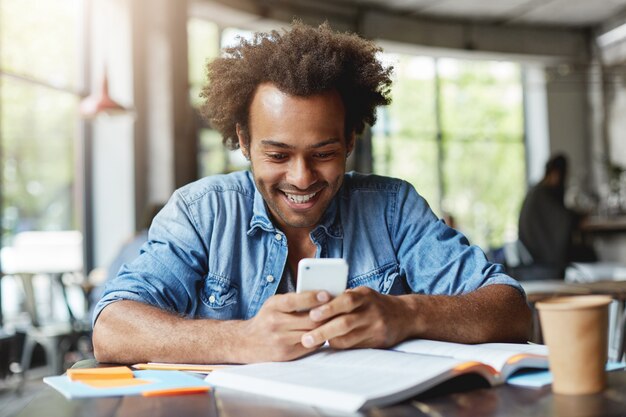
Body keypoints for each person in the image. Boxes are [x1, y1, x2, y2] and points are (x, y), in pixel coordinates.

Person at [92, 22, 531, 365]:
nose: (301, 178)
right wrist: (242, 339)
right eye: (278, 155)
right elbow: (111, 329)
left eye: (323, 153)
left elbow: (510, 308)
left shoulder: (392, 209)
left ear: (351, 141)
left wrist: (407, 313)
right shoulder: (201, 213)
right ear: (243, 141)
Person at [518, 154, 594, 278]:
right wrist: (579, 217)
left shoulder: (538, 191)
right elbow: (563, 219)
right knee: (588, 254)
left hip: (535, 252)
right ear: (556, 173)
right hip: (542, 256)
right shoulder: (542, 194)